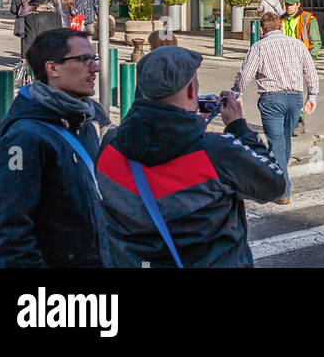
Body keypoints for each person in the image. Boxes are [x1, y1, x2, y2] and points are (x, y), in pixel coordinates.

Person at [96, 46, 285, 267]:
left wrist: (189, 128)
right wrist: (238, 126)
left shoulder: (110, 146)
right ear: (190, 91)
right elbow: (274, 182)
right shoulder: (217, 152)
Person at [0, 26, 107, 267]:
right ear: (52, 68)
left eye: (94, 58)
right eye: (83, 59)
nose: (95, 67)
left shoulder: (82, 122)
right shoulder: (24, 137)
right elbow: (6, 228)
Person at [232, 12, 320, 204]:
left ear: (262, 30)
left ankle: (283, 190)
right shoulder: (296, 44)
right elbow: (310, 71)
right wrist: (312, 96)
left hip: (271, 100)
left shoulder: (259, 47)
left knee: (277, 143)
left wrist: (236, 93)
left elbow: (245, 75)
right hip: (295, 99)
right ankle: (281, 174)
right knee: (284, 140)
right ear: (280, 26)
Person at [282, 0, 321, 137]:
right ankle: (289, 120)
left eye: (291, 4)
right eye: (286, 4)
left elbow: (316, 42)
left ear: (298, 4)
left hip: (301, 61)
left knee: (296, 93)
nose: (288, 7)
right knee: (284, 92)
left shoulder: (308, 19)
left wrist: (310, 60)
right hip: (285, 62)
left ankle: (299, 121)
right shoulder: (281, 19)